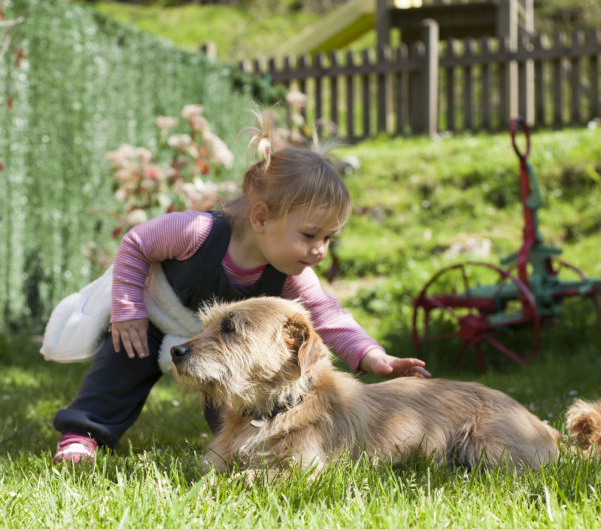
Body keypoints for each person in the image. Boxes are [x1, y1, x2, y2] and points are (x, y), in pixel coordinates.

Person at [51, 114, 430, 464]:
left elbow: (328, 317)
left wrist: (375, 358)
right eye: (310, 234)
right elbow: (136, 244)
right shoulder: (195, 232)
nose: (320, 250)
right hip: (156, 317)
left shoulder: (293, 273)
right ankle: (83, 434)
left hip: (222, 346)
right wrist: (128, 311)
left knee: (244, 387)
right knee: (121, 364)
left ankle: (235, 449)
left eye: (329, 238)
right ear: (262, 217)